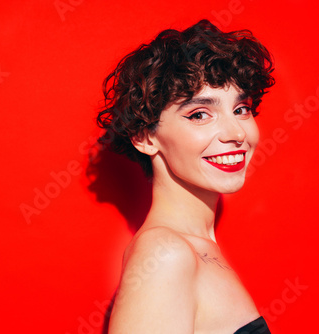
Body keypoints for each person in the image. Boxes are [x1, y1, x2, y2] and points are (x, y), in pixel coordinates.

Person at [96, 19, 275, 333]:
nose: (236, 133)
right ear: (145, 137)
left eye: (241, 109)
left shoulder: (196, 247)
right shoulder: (166, 255)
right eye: (199, 114)